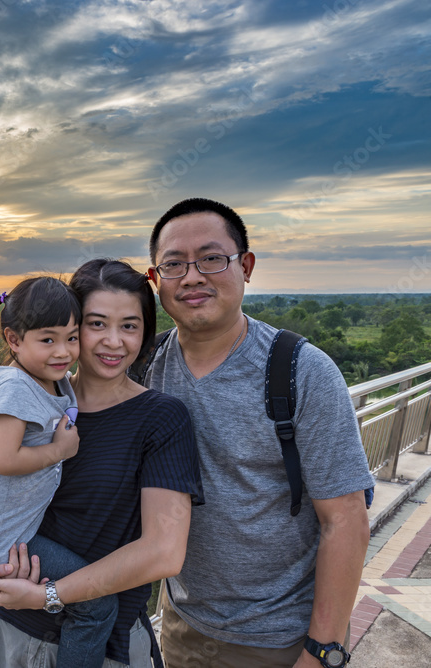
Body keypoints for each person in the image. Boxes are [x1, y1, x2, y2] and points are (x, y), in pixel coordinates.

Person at [144, 198, 374, 668]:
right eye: (174, 264)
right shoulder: (143, 366)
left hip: (282, 637)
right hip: (182, 622)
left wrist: (323, 648)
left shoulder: (300, 371)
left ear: (245, 266)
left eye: (211, 259)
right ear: (155, 280)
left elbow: (345, 518)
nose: (192, 277)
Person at [0, 259, 204, 668]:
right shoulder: (33, 399)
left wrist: (48, 595)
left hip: (100, 647)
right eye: (96, 324)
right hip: (2, 629)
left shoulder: (161, 419)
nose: (113, 342)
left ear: (146, 332)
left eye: (129, 326)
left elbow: (164, 553)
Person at [0, 275, 119, 668]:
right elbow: (5, 459)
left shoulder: (51, 380)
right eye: (47, 340)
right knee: (98, 602)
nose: (62, 351)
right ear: (13, 340)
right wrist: (59, 450)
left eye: (71, 337)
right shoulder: (15, 390)